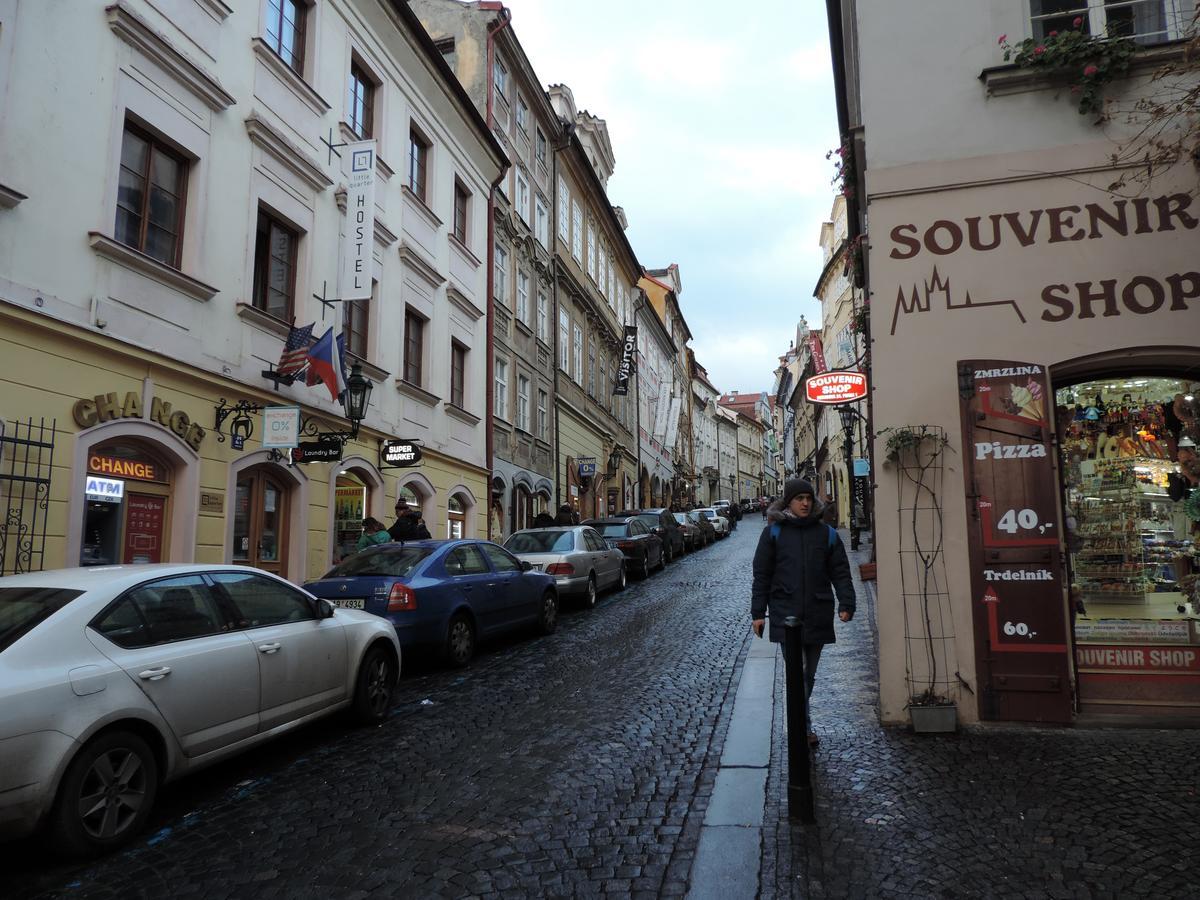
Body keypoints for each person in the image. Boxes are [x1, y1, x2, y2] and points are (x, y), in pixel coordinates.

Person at [751, 478, 856, 747]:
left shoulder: (826, 534)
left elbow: (840, 572)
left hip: (818, 611)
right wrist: (758, 612)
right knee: (798, 672)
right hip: (786, 616)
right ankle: (802, 727)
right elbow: (762, 575)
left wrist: (847, 603)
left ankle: (800, 721)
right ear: (788, 502)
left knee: (808, 675)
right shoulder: (773, 533)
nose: (805, 503)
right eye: (799, 499)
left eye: (808, 498)